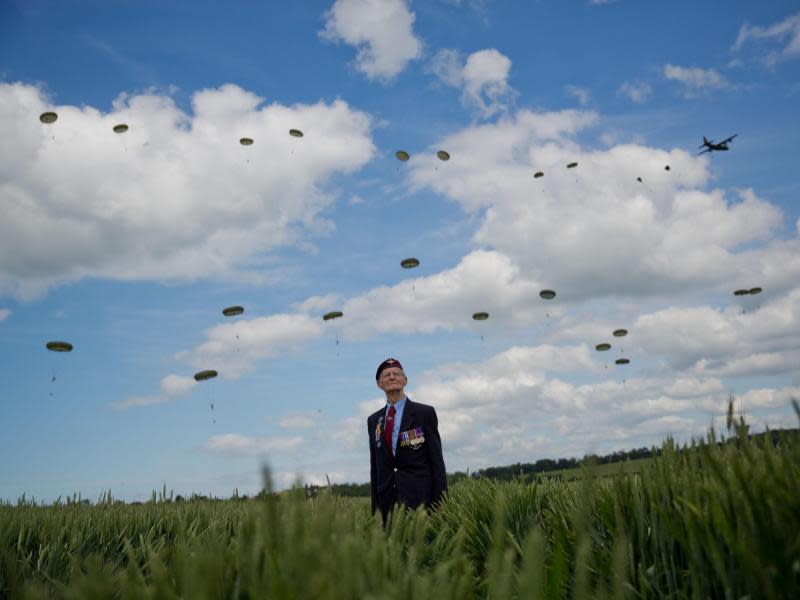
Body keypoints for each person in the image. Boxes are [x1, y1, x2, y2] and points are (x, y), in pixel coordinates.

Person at [368, 358, 447, 522]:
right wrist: (376, 509)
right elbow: (375, 467)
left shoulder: (424, 413)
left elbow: (437, 462)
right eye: (386, 375)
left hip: (420, 503)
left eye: (396, 373)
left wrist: (440, 501)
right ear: (379, 383)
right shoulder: (373, 420)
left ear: (405, 380)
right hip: (387, 505)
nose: (391, 377)